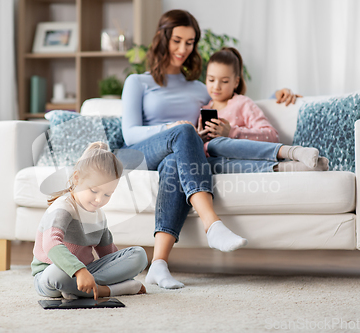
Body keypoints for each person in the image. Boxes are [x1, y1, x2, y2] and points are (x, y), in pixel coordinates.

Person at [121, 9, 301, 290]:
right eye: (177, 40)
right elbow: (129, 134)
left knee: (173, 162)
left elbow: (232, 102)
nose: (183, 49)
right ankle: (212, 224)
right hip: (142, 153)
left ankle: (158, 265)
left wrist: (275, 97)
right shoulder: (138, 82)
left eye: (190, 42)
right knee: (183, 132)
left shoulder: (200, 88)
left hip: (172, 157)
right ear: (163, 38)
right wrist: (171, 127)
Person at [32, 142, 148, 300]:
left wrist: (120, 271)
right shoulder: (63, 207)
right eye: (94, 190)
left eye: (107, 195)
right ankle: (108, 290)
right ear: (77, 178)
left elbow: (110, 256)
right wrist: (79, 271)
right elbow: (51, 244)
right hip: (49, 275)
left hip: (86, 272)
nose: (99, 199)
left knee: (139, 255)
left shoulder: (99, 216)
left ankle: (82, 289)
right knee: (57, 275)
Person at [198, 47, 329, 173]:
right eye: (211, 79)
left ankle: (293, 152)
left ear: (236, 82)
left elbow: (271, 135)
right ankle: (291, 167)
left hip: (241, 155)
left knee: (217, 145)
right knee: (211, 153)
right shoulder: (203, 111)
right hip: (219, 164)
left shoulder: (242, 103)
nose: (216, 86)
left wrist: (232, 132)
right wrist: (199, 138)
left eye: (224, 81)